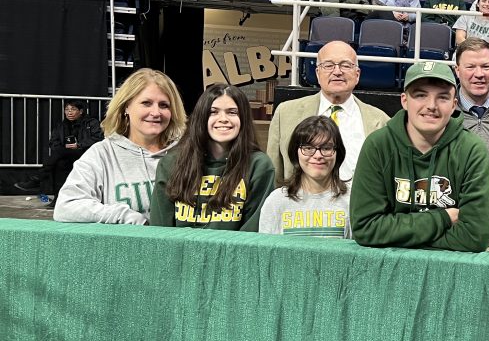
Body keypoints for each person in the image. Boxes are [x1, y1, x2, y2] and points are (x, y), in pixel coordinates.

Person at [350, 61, 489, 251]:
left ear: (454, 105)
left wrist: (395, 234)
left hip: (452, 271)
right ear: (404, 100)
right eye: (420, 95)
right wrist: (443, 218)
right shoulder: (378, 146)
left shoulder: (471, 150)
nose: (431, 106)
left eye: (442, 98)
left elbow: (475, 236)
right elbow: (365, 228)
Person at [54, 69, 186, 224]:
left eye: (164, 105)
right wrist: (127, 216)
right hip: (128, 247)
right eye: (146, 103)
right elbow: (66, 207)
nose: (156, 112)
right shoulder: (102, 154)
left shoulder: (187, 153)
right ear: (126, 107)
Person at [149, 84, 275, 230]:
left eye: (232, 112)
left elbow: (252, 234)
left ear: (243, 119)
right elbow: (159, 230)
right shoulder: (171, 163)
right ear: (201, 117)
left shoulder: (259, 166)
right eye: (213, 112)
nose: (223, 119)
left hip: (234, 252)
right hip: (179, 252)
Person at [268, 40, 388, 185]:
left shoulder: (381, 121)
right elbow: (274, 173)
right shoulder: (285, 113)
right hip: (300, 204)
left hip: (357, 205)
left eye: (345, 65)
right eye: (328, 65)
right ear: (318, 73)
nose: (337, 72)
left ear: (357, 74)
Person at [259, 117, 351, 237]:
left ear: (338, 153)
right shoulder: (276, 201)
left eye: (326, 148)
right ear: (295, 152)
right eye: (308, 148)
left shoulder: (351, 201)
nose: (318, 155)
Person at [15, 100, 103, 200]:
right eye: (67, 110)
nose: (69, 112)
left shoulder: (92, 123)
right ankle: (58, 199)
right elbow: (53, 142)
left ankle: (38, 178)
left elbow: (98, 139)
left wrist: (78, 145)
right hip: (65, 155)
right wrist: (64, 148)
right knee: (60, 163)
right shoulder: (61, 125)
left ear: (81, 111)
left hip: (85, 154)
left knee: (60, 154)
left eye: (73, 109)